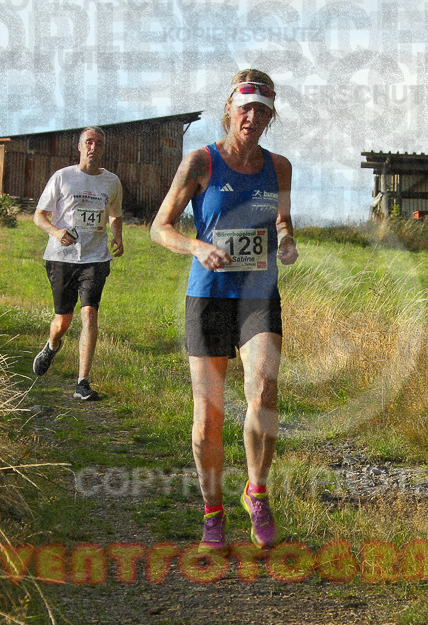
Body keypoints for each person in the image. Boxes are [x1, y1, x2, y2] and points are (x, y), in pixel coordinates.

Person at [150, 69, 298, 552]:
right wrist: (196, 247)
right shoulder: (201, 161)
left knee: (264, 391)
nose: (252, 117)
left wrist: (286, 239)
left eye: (262, 110)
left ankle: (256, 492)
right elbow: (160, 227)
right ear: (230, 108)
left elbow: (281, 219)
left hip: (258, 295)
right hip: (209, 296)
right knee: (208, 416)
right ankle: (212, 513)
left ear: (271, 115)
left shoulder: (280, 168)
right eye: (245, 107)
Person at [31, 126, 124, 401]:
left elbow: (115, 214)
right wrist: (56, 232)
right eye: (89, 142)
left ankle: (82, 383)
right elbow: (39, 215)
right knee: (63, 320)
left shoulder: (112, 181)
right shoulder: (63, 177)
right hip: (62, 258)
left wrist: (118, 235)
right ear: (80, 147)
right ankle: (51, 345)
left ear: (103, 148)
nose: (93, 147)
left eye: (98, 143)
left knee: (89, 315)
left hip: (96, 258)